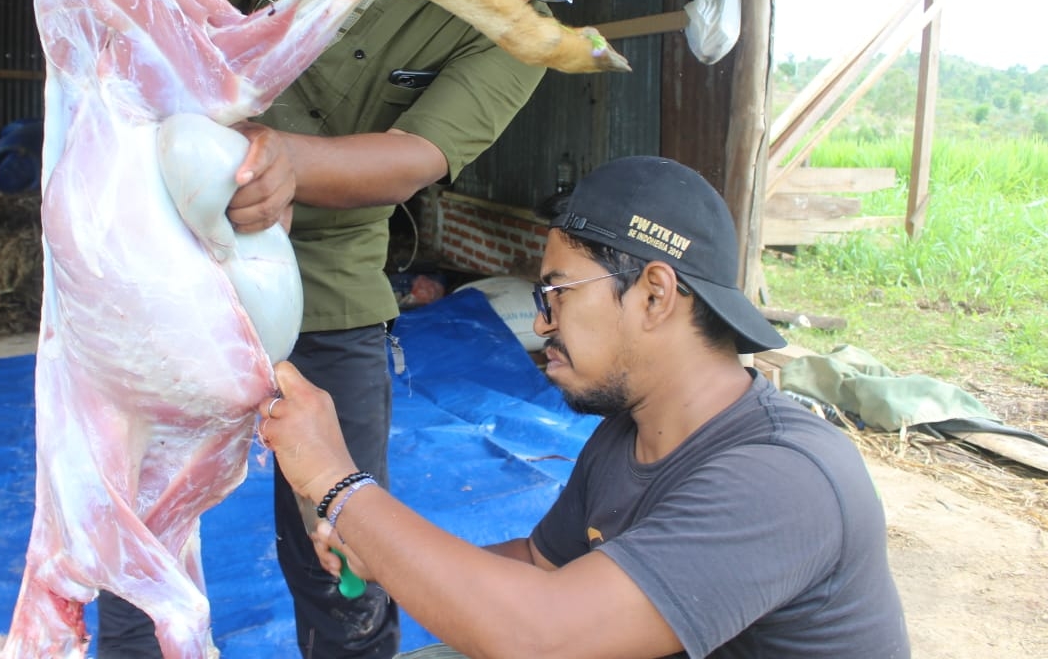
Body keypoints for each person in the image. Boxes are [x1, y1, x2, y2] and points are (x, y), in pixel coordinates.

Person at [96, 0, 647, 659]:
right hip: (173, 254)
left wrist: (287, 162)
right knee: (143, 533)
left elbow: (414, 155)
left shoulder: (517, 28)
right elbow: (163, 21)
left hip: (327, 285)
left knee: (344, 543)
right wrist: (212, 159)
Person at [259, 156, 912, 659]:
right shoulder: (628, 437)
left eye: (557, 293)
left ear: (655, 295)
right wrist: (379, 548)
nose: (542, 324)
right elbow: (541, 565)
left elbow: (542, 636)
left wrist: (337, 484)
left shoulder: (783, 478)